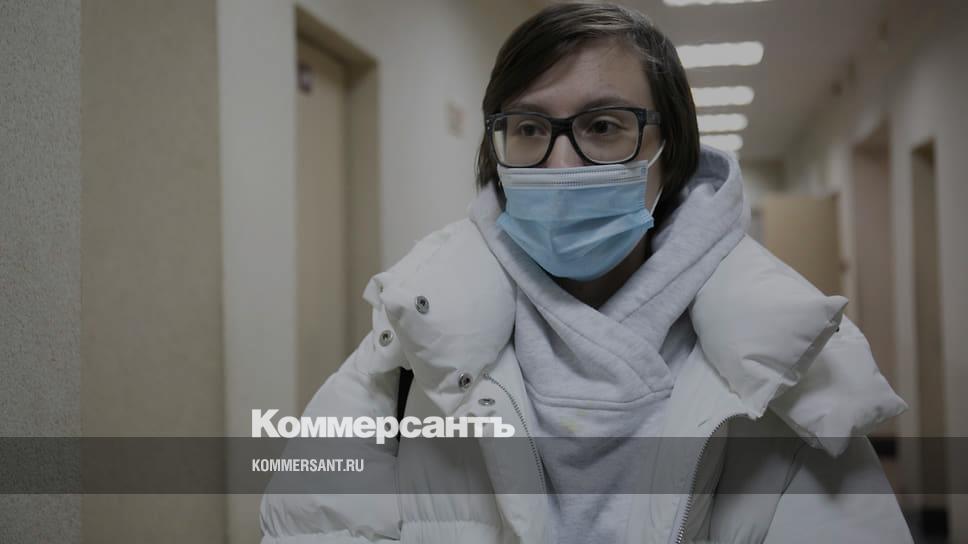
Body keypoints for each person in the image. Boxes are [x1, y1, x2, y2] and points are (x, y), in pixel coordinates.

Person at [260, 3, 913, 543]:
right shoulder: (408, 347)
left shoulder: (784, 370)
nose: (561, 166)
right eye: (528, 128)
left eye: (603, 126)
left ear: (670, 150)